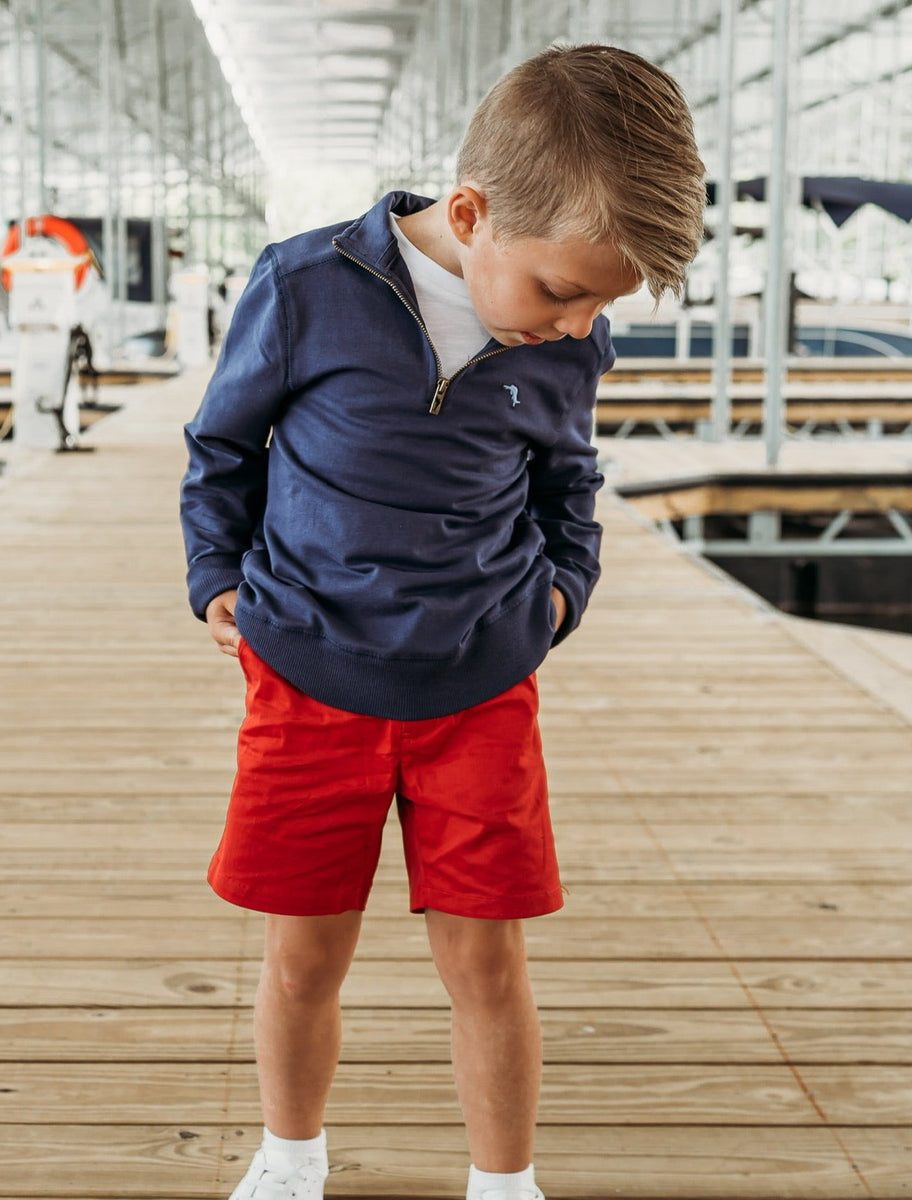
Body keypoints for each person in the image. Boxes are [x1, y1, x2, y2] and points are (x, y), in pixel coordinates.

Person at [179, 43, 705, 1200]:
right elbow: (223, 446)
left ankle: (503, 1181)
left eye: (601, 305)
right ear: (469, 214)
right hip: (308, 675)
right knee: (303, 954)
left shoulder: (566, 343)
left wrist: (559, 598)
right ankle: (290, 1158)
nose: (576, 327)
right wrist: (217, 579)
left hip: (480, 688)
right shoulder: (303, 285)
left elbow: (570, 485)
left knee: (487, 959)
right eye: (564, 291)